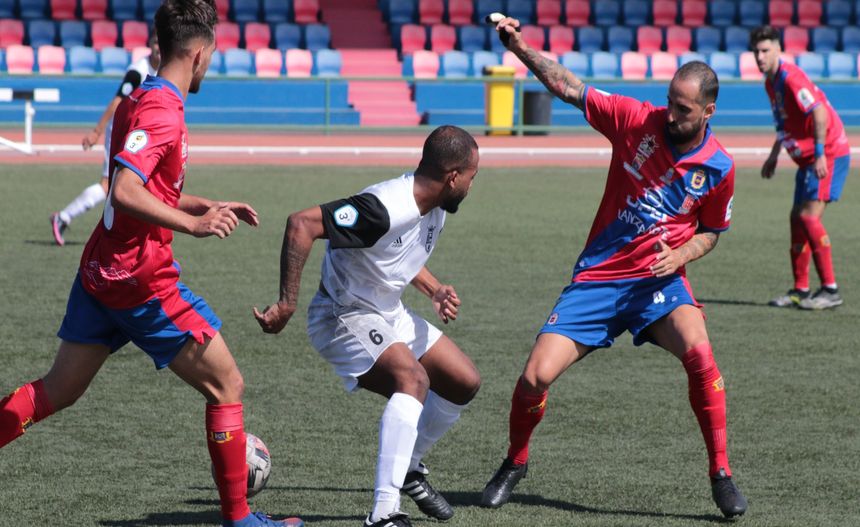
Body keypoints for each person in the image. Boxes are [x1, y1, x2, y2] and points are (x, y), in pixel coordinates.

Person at [1, 2, 303, 526]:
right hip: (140, 280)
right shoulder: (163, 111)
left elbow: (149, 189)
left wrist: (203, 204)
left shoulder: (140, 99)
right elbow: (124, 190)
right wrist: (195, 225)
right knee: (227, 385)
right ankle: (240, 518)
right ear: (201, 52)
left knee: (57, 390)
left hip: (101, 272)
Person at [480, 16, 747, 519]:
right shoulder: (634, 119)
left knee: (701, 354)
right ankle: (515, 462)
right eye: (669, 101)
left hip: (659, 285)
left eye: (683, 108)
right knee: (535, 377)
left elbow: (712, 232)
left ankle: (721, 472)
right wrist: (519, 48)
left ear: (709, 111)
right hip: (599, 280)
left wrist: (682, 254)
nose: (671, 113)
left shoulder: (720, 168)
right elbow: (569, 87)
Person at [254, 125, 482, 527]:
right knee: (413, 381)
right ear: (452, 177)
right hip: (343, 314)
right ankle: (383, 512)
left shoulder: (435, 205)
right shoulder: (383, 207)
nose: (470, 185)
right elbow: (301, 224)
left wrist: (433, 288)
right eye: (471, 176)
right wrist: (287, 302)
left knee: (463, 381)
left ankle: (408, 466)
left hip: (387, 311)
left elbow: (395, 253)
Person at [750, 25, 851, 310]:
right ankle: (801, 290)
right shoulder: (770, 83)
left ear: (778, 50)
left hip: (828, 153)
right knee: (796, 219)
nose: (760, 57)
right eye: (756, 51)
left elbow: (818, 111)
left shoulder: (792, 78)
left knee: (808, 218)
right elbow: (784, 121)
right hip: (808, 158)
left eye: (765, 50)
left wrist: (819, 153)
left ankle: (830, 289)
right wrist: (773, 154)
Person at [50, 32, 161, 247]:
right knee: (109, 184)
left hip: (135, 131)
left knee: (130, 183)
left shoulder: (160, 69)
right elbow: (117, 102)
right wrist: (96, 131)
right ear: (149, 44)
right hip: (120, 130)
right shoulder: (138, 71)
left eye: (161, 42)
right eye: (155, 42)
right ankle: (63, 217)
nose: (158, 47)